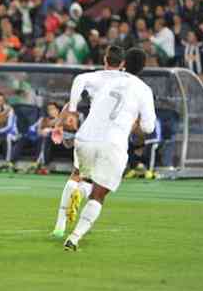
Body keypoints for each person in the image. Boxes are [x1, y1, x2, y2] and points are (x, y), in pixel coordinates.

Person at [57, 47, 156, 251]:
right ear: (143, 68)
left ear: (124, 63)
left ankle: (78, 193)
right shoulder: (144, 90)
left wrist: (73, 108)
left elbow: (80, 79)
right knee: (99, 194)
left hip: (85, 138)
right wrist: (133, 121)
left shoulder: (106, 79)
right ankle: (74, 237)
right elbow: (148, 127)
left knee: (83, 176)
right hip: (113, 143)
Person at [51, 45, 125, 239]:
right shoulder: (131, 83)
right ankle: (82, 196)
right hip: (112, 139)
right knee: (95, 183)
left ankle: (60, 225)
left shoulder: (91, 78)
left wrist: (58, 124)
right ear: (123, 64)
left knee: (76, 175)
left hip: (89, 134)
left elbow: (71, 105)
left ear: (105, 60)